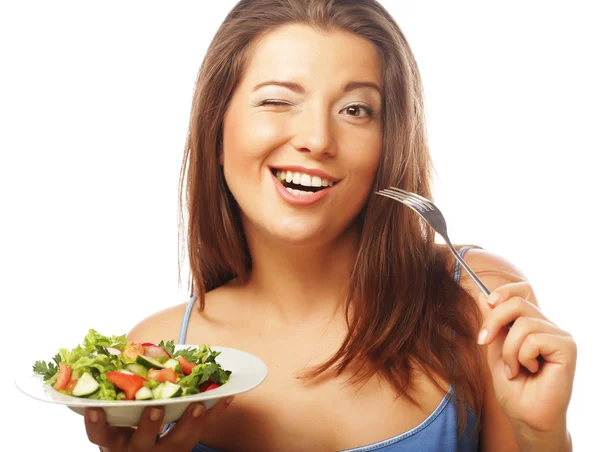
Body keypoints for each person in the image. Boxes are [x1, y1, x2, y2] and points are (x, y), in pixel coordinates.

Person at [83, 0, 577, 450]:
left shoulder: (478, 302)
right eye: (277, 101)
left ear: (389, 143)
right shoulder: (158, 356)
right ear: (216, 129)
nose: (318, 139)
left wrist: (541, 433)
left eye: (356, 110)